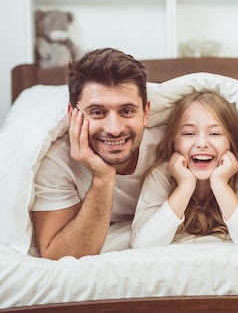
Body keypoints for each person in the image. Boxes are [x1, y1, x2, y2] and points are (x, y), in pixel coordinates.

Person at [31, 47, 158, 259]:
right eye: (97, 112)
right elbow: (58, 255)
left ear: (146, 112)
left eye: (127, 111)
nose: (114, 128)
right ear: (73, 114)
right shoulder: (55, 160)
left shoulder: (173, 143)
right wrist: (103, 177)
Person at [131, 90, 238, 249]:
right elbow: (143, 244)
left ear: (230, 142)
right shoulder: (161, 174)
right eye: (189, 133)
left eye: (215, 133)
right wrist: (185, 186)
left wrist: (220, 184)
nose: (202, 143)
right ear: (174, 142)